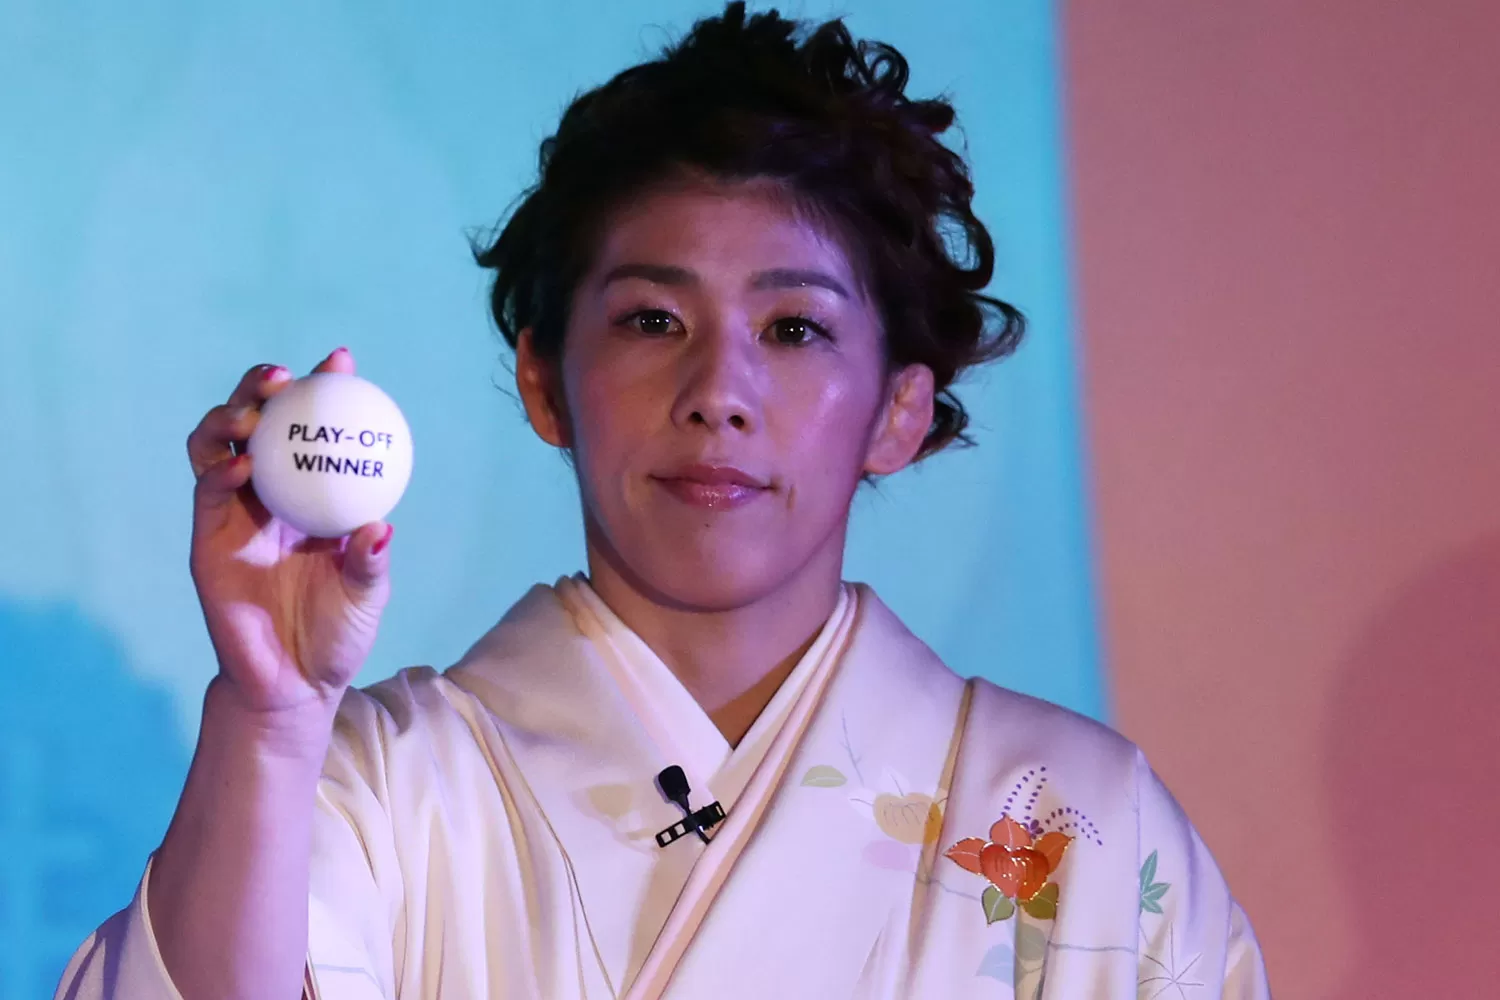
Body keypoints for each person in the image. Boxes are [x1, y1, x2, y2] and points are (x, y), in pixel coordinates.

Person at [55, 4, 1270, 998]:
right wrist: (269, 719)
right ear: (543, 378)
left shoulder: (1077, 821)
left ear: (900, 411)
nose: (717, 392)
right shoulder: (373, 786)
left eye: (793, 329)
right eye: (652, 320)